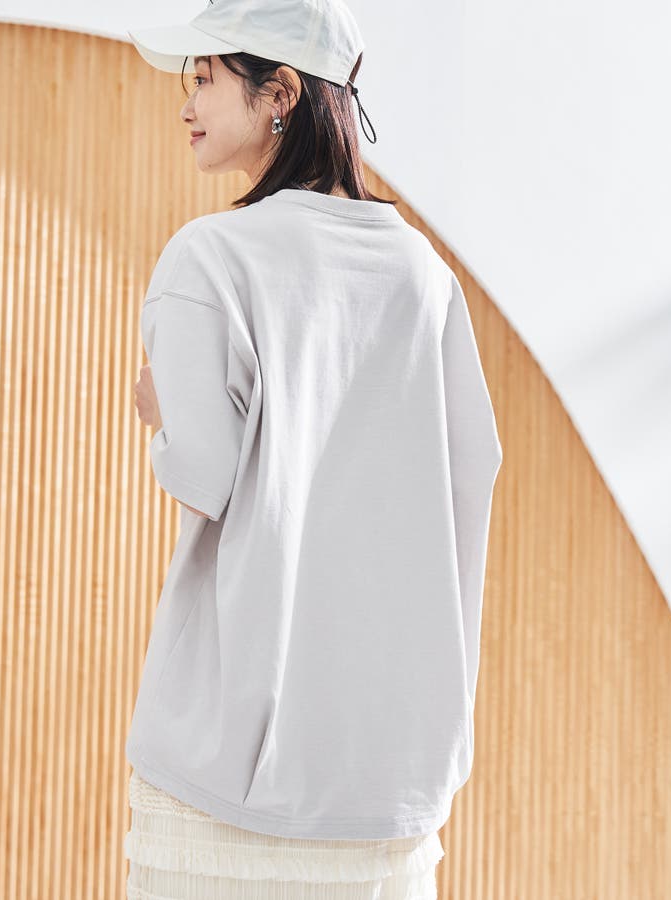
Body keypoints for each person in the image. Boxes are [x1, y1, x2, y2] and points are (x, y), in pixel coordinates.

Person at [124, 0, 504, 897]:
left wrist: (161, 410)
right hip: (390, 791)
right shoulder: (426, 277)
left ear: (281, 94)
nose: (186, 103)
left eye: (206, 78)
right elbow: (472, 475)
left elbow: (203, 474)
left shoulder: (211, 259)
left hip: (225, 786)